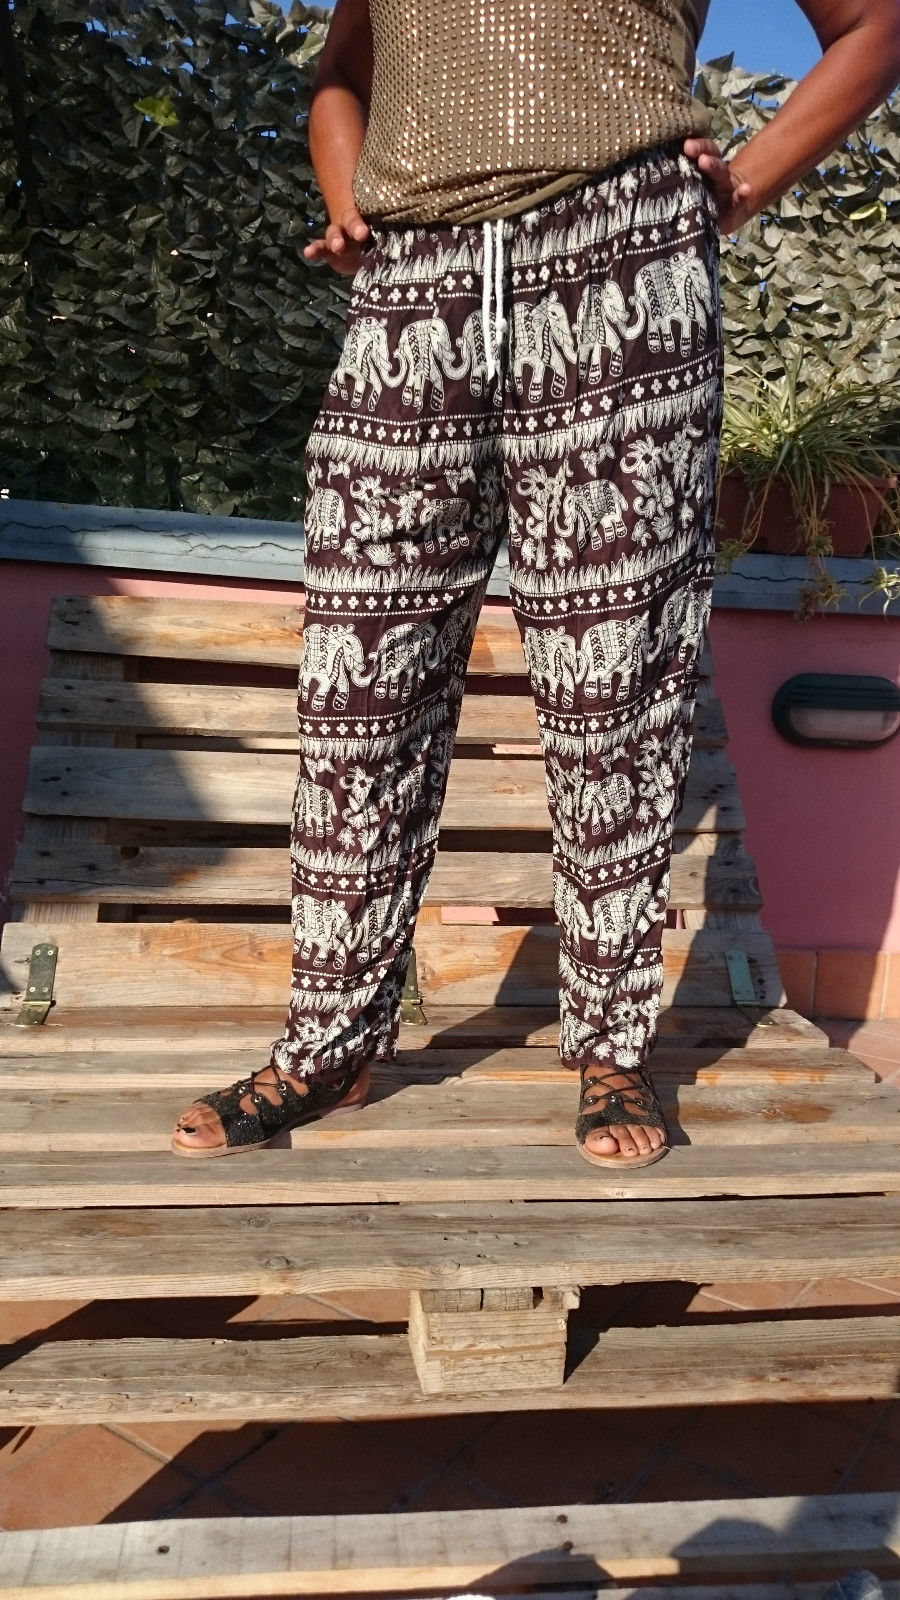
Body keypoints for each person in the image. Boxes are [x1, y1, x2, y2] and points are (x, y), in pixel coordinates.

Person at [172, 0, 900, 1166]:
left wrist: (739, 187)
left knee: (615, 686)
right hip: (416, 278)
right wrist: (347, 196)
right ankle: (330, 1041)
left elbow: (873, 25)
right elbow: (342, 74)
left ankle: (612, 1046)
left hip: (624, 258)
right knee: (361, 677)